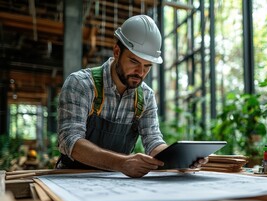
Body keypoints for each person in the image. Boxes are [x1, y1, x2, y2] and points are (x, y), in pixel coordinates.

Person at [56, 15, 208, 177]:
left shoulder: (146, 97)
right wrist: (121, 162)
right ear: (116, 52)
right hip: (71, 177)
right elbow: (69, 140)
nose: (141, 72)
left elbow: (153, 142)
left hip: (115, 180)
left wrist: (180, 159)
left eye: (147, 66)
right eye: (134, 62)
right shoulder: (82, 84)